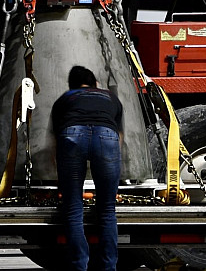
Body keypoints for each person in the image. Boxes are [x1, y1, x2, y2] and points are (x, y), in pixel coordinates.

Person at [52, 65, 123, 271]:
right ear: (95, 84)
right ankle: (109, 267)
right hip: (107, 137)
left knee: (73, 208)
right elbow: (119, 136)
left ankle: (79, 266)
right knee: (107, 209)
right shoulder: (111, 97)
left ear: (72, 86)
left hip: (71, 135)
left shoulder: (66, 98)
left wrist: (57, 163)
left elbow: (55, 137)